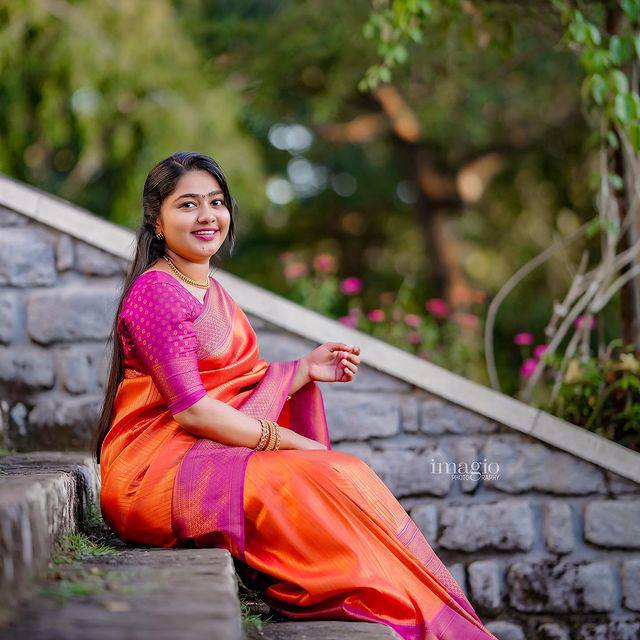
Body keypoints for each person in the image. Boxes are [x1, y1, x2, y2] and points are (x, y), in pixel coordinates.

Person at [95, 151, 498, 640]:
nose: (207, 216)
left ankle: (413, 608)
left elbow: (234, 381)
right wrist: (285, 439)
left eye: (216, 202)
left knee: (342, 472)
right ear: (157, 221)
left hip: (198, 456)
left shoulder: (206, 288)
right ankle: (382, 601)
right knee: (322, 474)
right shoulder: (158, 292)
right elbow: (196, 410)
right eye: (188, 205)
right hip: (155, 474)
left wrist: (304, 369)